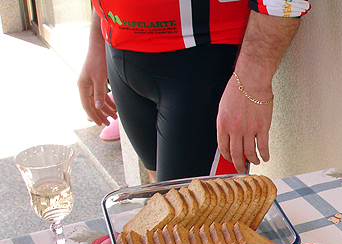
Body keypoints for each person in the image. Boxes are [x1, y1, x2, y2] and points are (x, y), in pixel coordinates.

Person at [78, 0, 309, 182]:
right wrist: (97, 39)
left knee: (196, 219)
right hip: (118, 51)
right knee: (160, 201)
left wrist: (252, 80)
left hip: (204, 62)